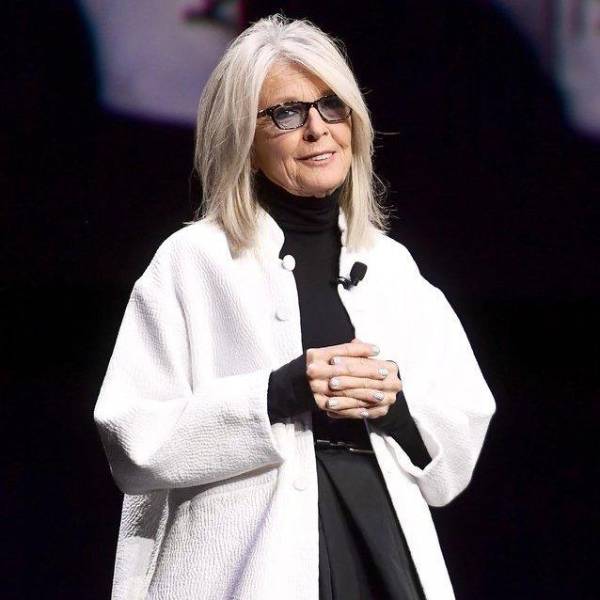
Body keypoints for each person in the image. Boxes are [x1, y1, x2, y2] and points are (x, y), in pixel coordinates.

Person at [94, 14, 496, 600]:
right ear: (243, 138)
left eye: (332, 107)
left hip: (377, 540)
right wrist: (279, 392)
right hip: (246, 560)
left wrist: (392, 406)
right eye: (286, 113)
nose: (317, 129)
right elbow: (133, 440)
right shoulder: (194, 261)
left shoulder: (391, 268)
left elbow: (456, 446)